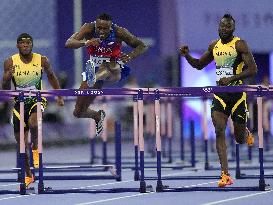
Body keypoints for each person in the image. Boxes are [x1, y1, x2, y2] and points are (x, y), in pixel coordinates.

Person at [180, 14, 258, 187]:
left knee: (239, 139)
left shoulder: (240, 44)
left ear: (233, 28)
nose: (224, 29)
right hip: (219, 94)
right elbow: (199, 65)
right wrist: (186, 56)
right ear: (219, 26)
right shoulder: (214, 45)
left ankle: (245, 131)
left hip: (237, 93)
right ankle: (225, 174)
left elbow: (253, 69)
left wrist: (231, 79)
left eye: (228, 26)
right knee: (220, 129)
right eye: (222, 26)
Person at [65, 13, 148, 136]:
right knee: (78, 112)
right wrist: (86, 43)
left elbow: (142, 45)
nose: (101, 31)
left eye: (105, 28)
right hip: (95, 69)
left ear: (111, 27)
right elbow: (69, 43)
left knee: (108, 66)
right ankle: (97, 115)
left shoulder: (120, 32)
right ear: (96, 25)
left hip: (115, 69)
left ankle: (95, 77)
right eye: (99, 28)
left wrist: (130, 56)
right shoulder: (88, 28)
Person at [1, 33, 64, 188]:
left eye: (28, 43)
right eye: (22, 43)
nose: (26, 45)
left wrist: (59, 95)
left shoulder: (42, 60)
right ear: (17, 46)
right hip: (19, 104)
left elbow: (51, 76)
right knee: (21, 145)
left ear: (32, 45)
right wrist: (7, 78)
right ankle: (29, 174)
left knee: (34, 122)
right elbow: (5, 90)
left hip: (37, 100)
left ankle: (36, 147)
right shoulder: (10, 62)